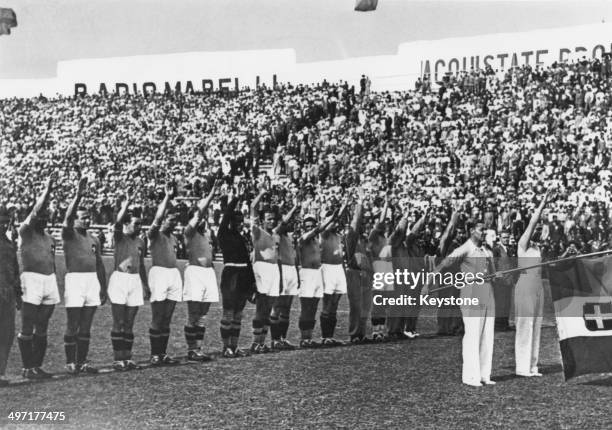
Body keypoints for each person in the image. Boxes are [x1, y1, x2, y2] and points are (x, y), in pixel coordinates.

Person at [436, 220, 497, 387]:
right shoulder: (465, 248)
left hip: (488, 292)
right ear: (471, 231)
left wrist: (494, 275)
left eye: (485, 230)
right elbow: (444, 263)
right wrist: (428, 283)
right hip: (471, 293)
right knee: (473, 334)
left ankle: (485, 374)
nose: (484, 232)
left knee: (487, 334)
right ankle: (471, 376)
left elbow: (492, 273)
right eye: (481, 229)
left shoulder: (486, 250)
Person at [62, 177, 107, 374]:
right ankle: (70, 362)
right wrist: (78, 195)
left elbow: (99, 264)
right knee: (73, 322)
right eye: (83, 217)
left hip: (91, 281)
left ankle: (82, 361)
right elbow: (68, 216)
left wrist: (103, 287)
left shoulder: (94, 239)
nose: (86, 220)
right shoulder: (69, 234)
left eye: (88, 217)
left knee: (86, 324)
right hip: (75, 280)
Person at [17, 176, 59, 379]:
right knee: (28, 323)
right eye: (40, 216)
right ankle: (27, 366)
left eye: (46, 217)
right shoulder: (25, 232)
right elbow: (34, 212)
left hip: (49, 280)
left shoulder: (50, 238)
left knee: (43, 324)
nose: (43, 219)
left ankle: (37, 366)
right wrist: (48, 188)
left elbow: (52, 261)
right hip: (31, 279)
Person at [108, 191, 150, 371]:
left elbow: (140, 265)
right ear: (127, 224)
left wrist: (145, 284)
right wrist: (127, 203)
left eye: (141, 224)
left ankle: (127, 357)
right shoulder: (119, 236)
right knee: (119, 321)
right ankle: (118, 358)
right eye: (136, 224)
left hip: (134, 281)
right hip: (120, 279)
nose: (140, 227)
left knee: (130, 322)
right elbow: (117, 222)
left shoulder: (141, 241)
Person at [182, 181, 220, 362]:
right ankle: (191, 349)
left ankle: (198, 348)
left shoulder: (206, 235)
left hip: (208, 273)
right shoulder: (188, 232)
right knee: (194, 313)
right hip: (195, 272)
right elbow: (199, 213)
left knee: (203, 315)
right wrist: (212, 194)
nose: (203, 220)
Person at [515, 190, 551, 377]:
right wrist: (543, 203)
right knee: (525, 326)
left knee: (536, 325)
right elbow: (533, 222)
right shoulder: (523, 244)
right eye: (535, 229)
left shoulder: (537, 247)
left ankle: (532, 366)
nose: (537, 231)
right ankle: (522, 367)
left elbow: (544, 228)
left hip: (538, 287)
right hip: (525, 286)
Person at [217, 188, 256, 358]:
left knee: (239, 314)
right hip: (231, 275)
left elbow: (248, 261)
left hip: (243, 276)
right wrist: (236, 199)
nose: (240, 224)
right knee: (228, 312)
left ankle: (234, 346)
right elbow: (226, 216)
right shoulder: (224, 233)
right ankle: (226, 347)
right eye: (237, 221)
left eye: (242, 221)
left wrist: (252, 282)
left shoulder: (241, 237)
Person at [147, 183, 181, 365]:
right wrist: (167, 197)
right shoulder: (155, 234)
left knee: (167, 317)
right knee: (158, 316)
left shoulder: (173, 238)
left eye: (176, 220)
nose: (174, 223)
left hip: (173, 275)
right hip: (159, 274)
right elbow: (157, 219)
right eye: (171, 219)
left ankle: (162, 353)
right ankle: (154, 353)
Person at [297, 211, 336, 348]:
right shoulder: (303, 238)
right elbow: (318, 230)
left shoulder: (317, 241)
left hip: (317, 274)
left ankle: (309, 336)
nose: (310, 228)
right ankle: (304, 338)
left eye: (312, 225)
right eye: (307, 226)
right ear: (304, 228)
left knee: (313, 307)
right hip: (307, 274)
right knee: (306, 307)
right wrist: (330, 218)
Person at [249, 189, 281, 354]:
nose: (272, 221)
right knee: (261, 307)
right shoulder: (257, 232)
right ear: (262, 221)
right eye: (268, 219)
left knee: (269, 308)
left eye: (273, 219)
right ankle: (256, 342)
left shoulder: (274, 235)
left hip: (274, 270)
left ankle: (262, 341)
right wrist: (261, 193)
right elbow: (253, 208)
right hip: (262, 269)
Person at [270, 200, 300, 351]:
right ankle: (275, 339)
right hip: (281, 270)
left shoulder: (288, 237)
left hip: (291, 270)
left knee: (287, 307)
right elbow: (282, 223)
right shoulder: (276, 233)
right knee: (277, 306)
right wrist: (294, 207)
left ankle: (283, 338)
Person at [319, 198, 349, 346]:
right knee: (327, 303)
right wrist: (341, 208)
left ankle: (330, 336)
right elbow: (333, 220)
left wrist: (345, 204)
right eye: (331, 218)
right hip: (327, 268)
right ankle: (325, 337)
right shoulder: (323, 233)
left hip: (338, 269)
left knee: (335, 304)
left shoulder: (338, 236)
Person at [345, 193, 374, 344]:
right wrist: (360, 204)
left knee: (365, 306)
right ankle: (354, 334)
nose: (364, 222)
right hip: (354, 273)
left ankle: (361, 333)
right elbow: (355, 223)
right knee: (356, 305)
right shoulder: (351, 236)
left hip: (366, 275)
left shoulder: (364, 240)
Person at [0, 206, 21, 386]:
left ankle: (1, 372)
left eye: (5, 222)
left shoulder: (8, 243)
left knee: (7, 334)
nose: (3, 225)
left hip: (7, 295)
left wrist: (18, 294)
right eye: (0, 222)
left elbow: (15, 270)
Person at [435, 202, 463, 336]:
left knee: (455, 301)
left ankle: (454, 326)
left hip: (457, 276)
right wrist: (455, 215)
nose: (459, 234)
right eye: (458, 232)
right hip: (446, 277)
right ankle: (443, 327)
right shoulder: (445, 243)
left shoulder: (459, 245)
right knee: (446, 301)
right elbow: (449, 231)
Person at [368, 196, 392, 341]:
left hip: (386, 269)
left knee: (383, 302)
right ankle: (376, 331)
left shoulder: (384, 236)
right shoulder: (374, 234)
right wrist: (386, 204)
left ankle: (381, 330)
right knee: (378, 302)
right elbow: (382, 221)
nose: (384, 223)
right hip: (378, 269)